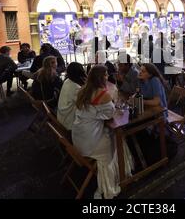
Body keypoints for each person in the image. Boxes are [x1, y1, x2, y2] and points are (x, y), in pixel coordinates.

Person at [72, 65, 133, 199]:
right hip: (90, 142)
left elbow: (97, 113)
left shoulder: (83, 90)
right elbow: (110, 115)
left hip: (78, 138)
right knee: (117, 139)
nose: (107, 77)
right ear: (101, 77)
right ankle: (113, 183)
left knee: (113, 134)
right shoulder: (103, 94)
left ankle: (123, 171)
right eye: (106, 75)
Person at [57, 62, 87, 130]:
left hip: (62, 116)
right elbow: (85, 104)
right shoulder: (76, 87)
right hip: (68, 122)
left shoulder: (67, 81)